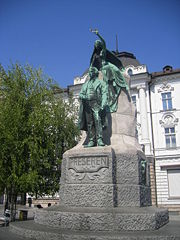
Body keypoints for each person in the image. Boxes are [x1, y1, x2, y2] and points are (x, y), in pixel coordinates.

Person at [90, 29, 129, 112]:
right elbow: (91, 64)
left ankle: (122, 83)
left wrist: (98, 34)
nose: (97, 46)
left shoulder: (103, 51)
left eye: (98, 44)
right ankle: (111, 83)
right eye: (95, 45)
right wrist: (91, 69)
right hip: (103, 68)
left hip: (107, 64)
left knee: (116, 69)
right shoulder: (95, 56)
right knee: (106, 71)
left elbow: (104, 42)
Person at [78, 66, 108, 147]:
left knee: (98, 121)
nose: (90, 73)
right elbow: (81, 94)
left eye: (91, 72)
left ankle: (99, 139)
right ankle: (92, 140)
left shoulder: (101, 83)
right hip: (87, 105)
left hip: (96, 104)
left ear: (95, 73)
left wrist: (103, 104)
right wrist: (84, 97)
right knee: (89, 123)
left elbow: (105, 94)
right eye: (89, 72)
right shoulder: (86, 84)